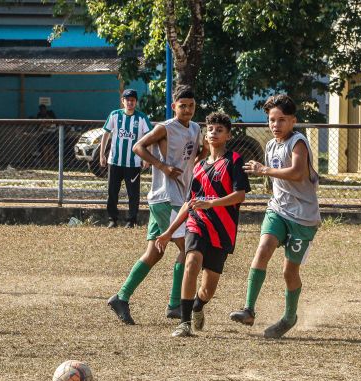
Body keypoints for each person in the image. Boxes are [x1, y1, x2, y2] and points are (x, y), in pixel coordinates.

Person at [107, 85, 207, 325]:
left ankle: (121, 297)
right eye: (182, 106)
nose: (187, 110)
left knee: (154, 252)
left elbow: (195, 155)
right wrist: (163, 167)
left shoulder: (195, 128)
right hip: (165, 197)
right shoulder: (165, 127)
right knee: (188, 249)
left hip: (177, 197)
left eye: (191, 106)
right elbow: (137, 146)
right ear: (174, 107)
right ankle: (175, 304)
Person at [229, 94, 321, 339]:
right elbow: (277, 179)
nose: (275, 125)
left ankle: (289, 317)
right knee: (263, 249)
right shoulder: (270, 146)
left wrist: (265, 170)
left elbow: (297, 172)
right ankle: (248, 309)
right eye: (271, 120)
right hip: (278, 209)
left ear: (293, 121)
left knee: (288, 272)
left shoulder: (298, 142)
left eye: (281, 120)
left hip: (303, 217)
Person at [155, 112, 251, 337]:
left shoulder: (234, 161)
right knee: (192, 262)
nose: (213, 133)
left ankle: (198, 305)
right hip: (197, 223)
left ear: (228, 135)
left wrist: (212, 203)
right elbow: (189, 203)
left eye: (219, 130)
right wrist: (169, 232)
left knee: (208, 289)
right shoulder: (198, 167)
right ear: (205, 135)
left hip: (223, 230)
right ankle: (184, 322)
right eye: (210, 130)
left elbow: (240, 196)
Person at [99, 89, 153, 228]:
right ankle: (112, 219)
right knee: (112, 192)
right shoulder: (115, 115)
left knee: (133, 193)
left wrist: (147, 158)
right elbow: (106, 134)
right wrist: (102, 154)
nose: (130, 103)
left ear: (136, 102)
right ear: (122, 101)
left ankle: (131, 220)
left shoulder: (141, 118)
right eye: (127, 100)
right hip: (114, 161)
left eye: (132, 100)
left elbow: (150, 138)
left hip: (133, 163)